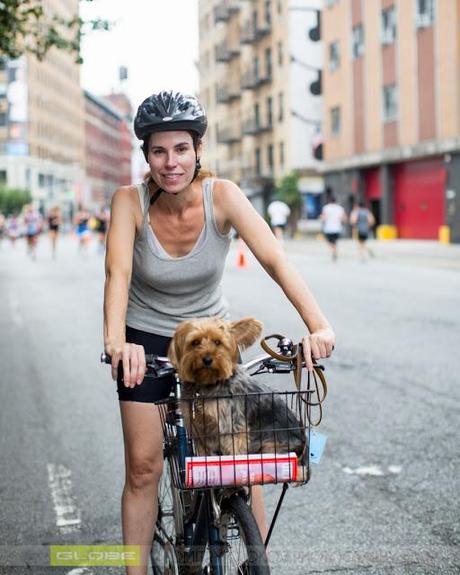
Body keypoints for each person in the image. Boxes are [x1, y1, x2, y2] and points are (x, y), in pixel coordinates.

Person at [103, 91, 336, 575]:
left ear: (198, 149)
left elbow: (276, 259)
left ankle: (256, 562)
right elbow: (117, 275)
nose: (171, 163)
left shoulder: (222, 196)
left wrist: (318, 324)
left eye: (181, 149)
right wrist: (116, 342)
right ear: (146, 155)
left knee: (240, 456)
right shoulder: (128, 202)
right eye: (159, 151)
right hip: (146, 342)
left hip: (212, 336)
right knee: (144, 467)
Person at [320, 194, 347, 261]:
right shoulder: (340, 208)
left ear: (329, 201)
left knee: (329, 241)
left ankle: (333, 252)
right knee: (335, 242)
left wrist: (321, 218)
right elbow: (344, 218)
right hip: (337, 228)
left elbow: (324, 218)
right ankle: (335, 252)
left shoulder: (326, 208)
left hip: (328, 228)